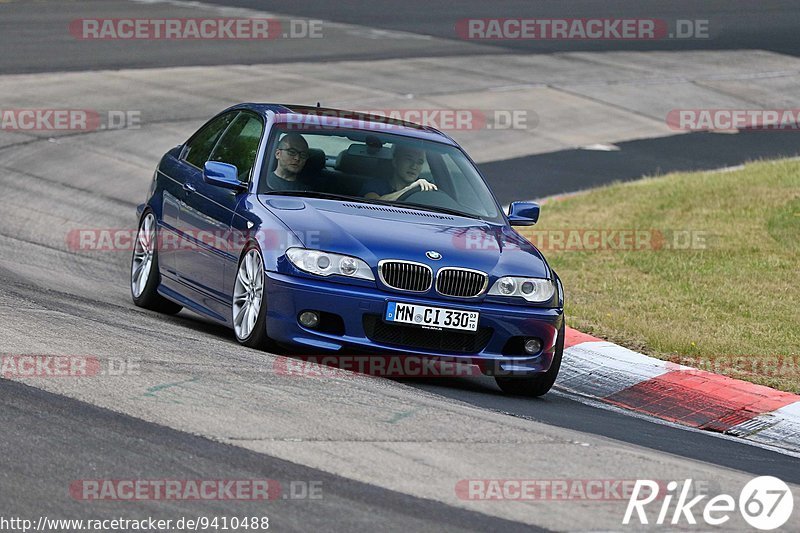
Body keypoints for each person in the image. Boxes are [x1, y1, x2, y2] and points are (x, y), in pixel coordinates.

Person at [361, 144, 437, 201]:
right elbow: (372, 205)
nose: (414, 166)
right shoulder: (376, 185)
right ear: (395, 162)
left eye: (419, 162)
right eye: (409, 159)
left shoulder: (425, 189)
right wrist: (409, 189)